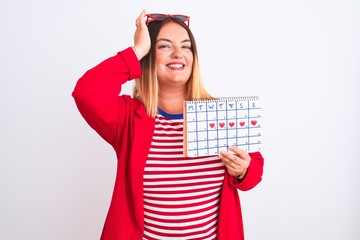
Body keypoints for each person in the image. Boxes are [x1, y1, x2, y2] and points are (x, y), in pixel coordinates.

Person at [72, 10, 264, 240]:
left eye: (186, 46)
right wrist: (136, 51)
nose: (177, 54)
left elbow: (253, 172)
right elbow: (86, 91)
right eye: (164, 46)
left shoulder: (220, 113)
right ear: (149, 56)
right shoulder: (127, 117)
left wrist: (243, 170)